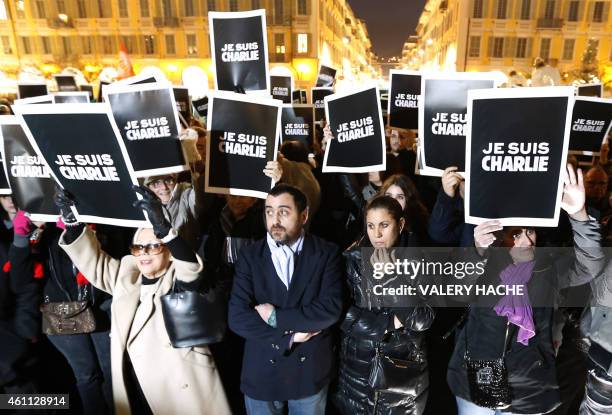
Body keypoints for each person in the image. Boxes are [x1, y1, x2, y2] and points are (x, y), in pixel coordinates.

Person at [54, 186, 230, 415]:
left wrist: (165, 230)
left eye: (154, 245)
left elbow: (191, 268)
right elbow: (93, 262)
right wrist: (72, 221)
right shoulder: (127, 275)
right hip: (135, 390)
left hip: (178, 390)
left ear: (168, 251)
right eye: (138, 247)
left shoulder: (178, 275)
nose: (144, 252)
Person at [448, 164, 603, 415]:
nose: (526, 241)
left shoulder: (549, 267)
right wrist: (475, 253)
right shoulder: (484, 262)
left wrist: (579, 215)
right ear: (499, 237)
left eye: (530, 231)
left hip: (529, 387)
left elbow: (591, 265)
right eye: (515, 234)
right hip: (475, 378)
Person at [228, 184, 343, 414]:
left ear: (304, 215)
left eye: (283, 211)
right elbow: (237, 317)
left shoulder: (326, 252)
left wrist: (275, 317)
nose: (274, 219)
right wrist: (289, 339)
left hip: (308, 373)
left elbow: (330, 309)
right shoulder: (250, 256)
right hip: (262, 372)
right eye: (269, 211)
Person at [334, 195, 434, 414]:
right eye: (370, 226)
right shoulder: (352, 259)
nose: (376, 234)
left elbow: (422, 319)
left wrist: (391, 277)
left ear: (400, 224)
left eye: (384, 225)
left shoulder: (421, 261)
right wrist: (388, 323)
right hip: (357, 373)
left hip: (402, 377)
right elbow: (340, 313)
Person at [380, 174, 430, 245]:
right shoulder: (374, 218)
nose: (393, 201)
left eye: (400, 197)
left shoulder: (415, 230)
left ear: (408, 200)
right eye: (389, 196)